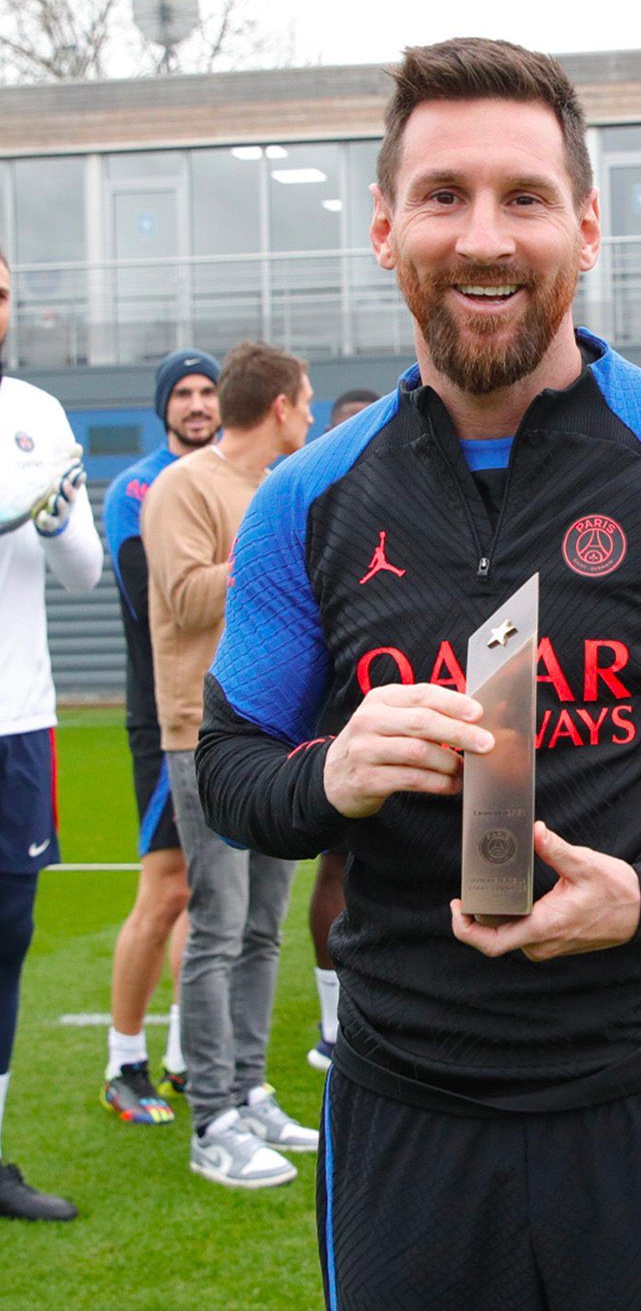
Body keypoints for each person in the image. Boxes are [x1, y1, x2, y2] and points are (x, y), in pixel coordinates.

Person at [196, 38, 641, 1308]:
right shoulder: (305, 500)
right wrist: (330, 774)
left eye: (526, 197)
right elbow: (230, 771)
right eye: (444, 196)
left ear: (589, 226)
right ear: (387, 228)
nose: (486, 238)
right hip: (405, 1105)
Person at [142, 340, 318, 1189]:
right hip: (201, 732)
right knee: (217, 924)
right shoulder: (185, 486)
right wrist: (275, 550)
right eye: (307, 402)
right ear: (279, 406)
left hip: (277, 733)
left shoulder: (274, 487)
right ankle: (210, 1115)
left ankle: (248, 1091)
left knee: (260, 926)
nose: (315, 417)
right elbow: (181, 597)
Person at [0, 249, 103, 1219]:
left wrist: (59, 517)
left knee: (7, 934)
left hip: (18, 726)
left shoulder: (36, 415)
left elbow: (83, 572)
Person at [100, 349, 221, 1125]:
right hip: (163, 715)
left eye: (209, 390)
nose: (198, 404)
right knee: (168, 888)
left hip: (222, 712)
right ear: (162, 407)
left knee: (205, 894)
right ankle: (123, 1063)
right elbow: (160, 609)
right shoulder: (137, 489)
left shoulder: (231, 480)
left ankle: (183, 1053)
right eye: (182, 393)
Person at [307, 386, 379, 1072]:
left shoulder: (407, 488)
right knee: (335, 858)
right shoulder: (311, 502)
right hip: (335, 705)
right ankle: (333, 1020)